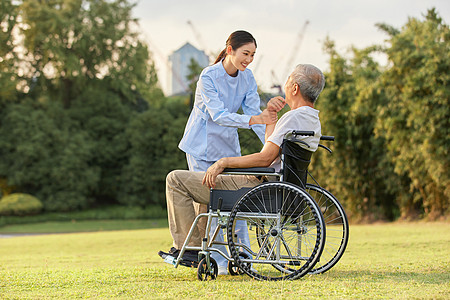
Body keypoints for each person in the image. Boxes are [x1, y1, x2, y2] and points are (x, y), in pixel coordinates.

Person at [158, 64, 326, 271]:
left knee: (175, 180)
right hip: (275, 187)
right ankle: (199, 249)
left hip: (256, 187)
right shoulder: (310, 118)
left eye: (289, 79)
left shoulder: (293, 117)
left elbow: (265, 158)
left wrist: (223, 162)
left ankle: (190, 249)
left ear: (294, 88)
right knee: (203, 182)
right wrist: (271, 114)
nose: (285, 83)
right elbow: (271, 148)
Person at [178, 30, 281, 274]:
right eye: (246, 53)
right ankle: (217, 261)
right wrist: (256, 118)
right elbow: (219, 115)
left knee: (238, 201)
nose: (249, 59)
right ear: (230, 50)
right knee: (212, 205)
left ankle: (241, 255)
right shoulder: (208, 76)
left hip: (227, 149)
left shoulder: (247, 77)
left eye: (253, 55)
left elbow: (256, 115)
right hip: (201, 148)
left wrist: (272, 146)